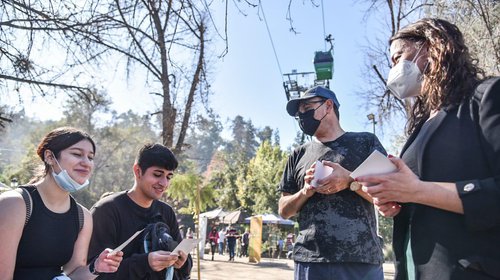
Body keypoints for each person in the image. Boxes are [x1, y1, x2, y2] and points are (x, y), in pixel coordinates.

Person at [356, 18, 500, 280]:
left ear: (430, 46)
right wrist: (394, 199)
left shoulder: (487, 96)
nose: (394, 69)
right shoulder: (421, 127)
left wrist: (419, 191)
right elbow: (419, 194)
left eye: (397, 57)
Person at [278, 86, 385, 280]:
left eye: (307, 107)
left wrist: (350, 180)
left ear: (328, 106)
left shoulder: (366, 142)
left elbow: (388, 194)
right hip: (310, 261)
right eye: (299, 113)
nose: (302, 115)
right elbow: (284, 210)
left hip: (361, 260)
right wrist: (305, 191)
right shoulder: (297, 155)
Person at [0, 127, 123, 279]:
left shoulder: (83, 216)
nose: (86, 163)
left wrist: (96, 267)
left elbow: (73, 274)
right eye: (77, 154)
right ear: (50, 157)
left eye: (90, 157)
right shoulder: (15, 204)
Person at [88, 143, 192, 279]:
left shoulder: (167, 212)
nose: (164, 183)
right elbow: (94, 273)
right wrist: (145, 262)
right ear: (137, 171)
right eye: (157, 174)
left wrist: (182, 262)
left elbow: (185, 270)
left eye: (168, 177)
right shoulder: (107, 210)